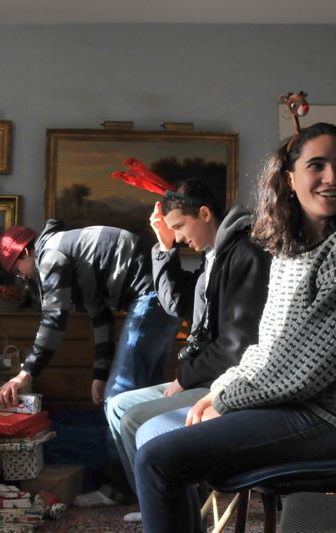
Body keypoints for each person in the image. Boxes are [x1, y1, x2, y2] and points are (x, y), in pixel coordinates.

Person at [133, 122, 336, 533]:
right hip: (290, 406)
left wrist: (227, 399)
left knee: (157, 458)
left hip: (332, 419)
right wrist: (220, 389)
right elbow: (266, 348)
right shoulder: (289, 250)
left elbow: (310, 365)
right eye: (317, 165)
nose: (332, 177)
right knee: (152, 431)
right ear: (290, 179)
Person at [105, 178, 270, 516]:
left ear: (205, 214)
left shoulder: (245, 254)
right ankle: (159, 506)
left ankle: (168, 512)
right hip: (204, 376)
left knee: (134, 419)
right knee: (118, 406)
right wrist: (164, 247)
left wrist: (183, 378)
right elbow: (177, 304)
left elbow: (237, 347)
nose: (179, 237)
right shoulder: (213, 256)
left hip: (229, 382)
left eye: (179, 227)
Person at [0, 222, 181, 409]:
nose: (23, 277)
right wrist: (100, 374)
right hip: (167, 294)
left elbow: (53, 319)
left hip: (151, 295)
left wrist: (25, 373)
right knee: (149, 392)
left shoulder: (50, 255)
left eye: (17, 271)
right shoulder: (74, 253)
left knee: (118, 398)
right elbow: (102, 318)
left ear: (25, 252)